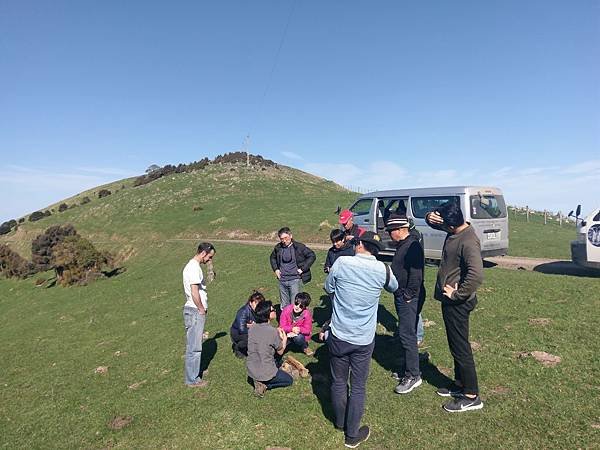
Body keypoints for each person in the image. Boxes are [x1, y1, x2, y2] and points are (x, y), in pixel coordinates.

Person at [324, 231, 398, 448]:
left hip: (339, 333)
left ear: (358, 245)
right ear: (376, 250)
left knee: (338, 381)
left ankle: (339, 422)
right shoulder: (383, 269)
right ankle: (352, 434)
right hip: (363, 338)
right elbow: (393, 287)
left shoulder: (342, 262)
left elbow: (328, 288)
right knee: (358, 386)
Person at [426, 201, 484, 412]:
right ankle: (460, 384)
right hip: (451, 302)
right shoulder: (457, 227)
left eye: (443, 223)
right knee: (455, 344)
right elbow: (434, 223)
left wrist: (457, 293)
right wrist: (428, 217)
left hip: (458, 303)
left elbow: (477, 274)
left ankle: (471, 395)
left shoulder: (467, 241)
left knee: (461, 348)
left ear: (451, 225)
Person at [385, 214, 426, 394]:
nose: (389, 234)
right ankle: (408, 368)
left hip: (409, 296)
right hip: (403, 294)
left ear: (400, 230)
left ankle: (413, 375)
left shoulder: (413, 246)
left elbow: (416, 273)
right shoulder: (404, 245)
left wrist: (408, 294)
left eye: (390, 231)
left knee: (407, 334)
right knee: (405, 332)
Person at [182, 242, 216, 388]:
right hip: (195, 311)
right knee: (194, 347)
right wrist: (201, 308)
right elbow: (194, 291)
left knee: (194, 345)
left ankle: (195, 372)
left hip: (194, 310)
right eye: (209, 257)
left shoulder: (191, 266)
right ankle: (193, 379)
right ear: (203, 253)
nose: (209, 260)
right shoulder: (194, 268)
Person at [247, 299, 294, 397]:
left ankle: (258, 380)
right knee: (289, 380)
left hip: (251, 370)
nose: (275, 311)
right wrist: (284, 339)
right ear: (267, 314)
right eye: (273, 310)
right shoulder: (272, 332)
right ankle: (265, 385)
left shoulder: (252, 328)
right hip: (265, 372)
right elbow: (280, 351)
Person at [269, 227, 316, 308]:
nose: (284, 241)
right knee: (284, 305)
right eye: (281, 239)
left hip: (295, 279)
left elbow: (312, 256)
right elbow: (272, 257)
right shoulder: (278, 247)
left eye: (286, 238)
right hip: (282, 280)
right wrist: (276, 269)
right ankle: (285, 320)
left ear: (291, 236)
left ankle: (295, 320)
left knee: (295, 304)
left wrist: (302, 269)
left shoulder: (299, 247)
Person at [230, 291, 263, 358]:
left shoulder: (259, 311)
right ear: (250, 303)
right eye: (256, 303)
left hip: (251, 329)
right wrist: (253, 327)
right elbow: (241, 329)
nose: (258, 306)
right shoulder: (243, 311)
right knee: (249, 338)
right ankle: (238, 347)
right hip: (237, 333)